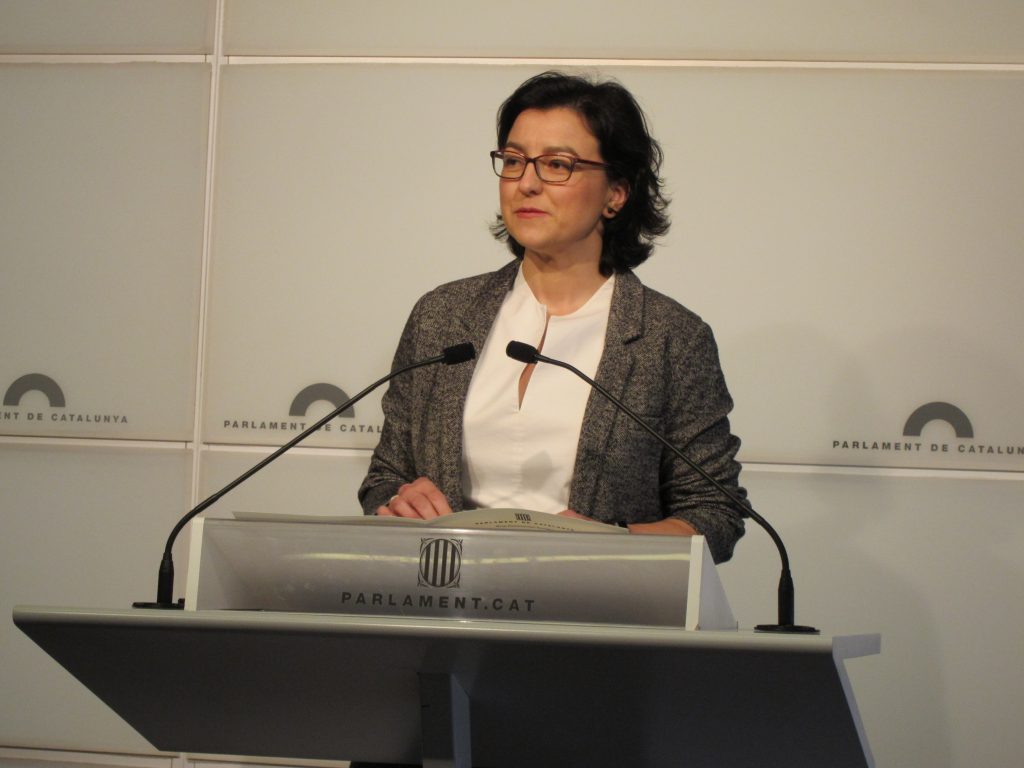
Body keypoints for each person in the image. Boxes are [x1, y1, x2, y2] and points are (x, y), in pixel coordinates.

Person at [357, 70, 746, 565]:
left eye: (557, 165)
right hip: (448, 593)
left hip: (594, 604)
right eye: (513, 161)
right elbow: (385, 476)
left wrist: (612, 543)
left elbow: (715, 513)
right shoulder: (443, 316)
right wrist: (399, 498)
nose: (527, 184)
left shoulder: (671, 338)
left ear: (616, 192)